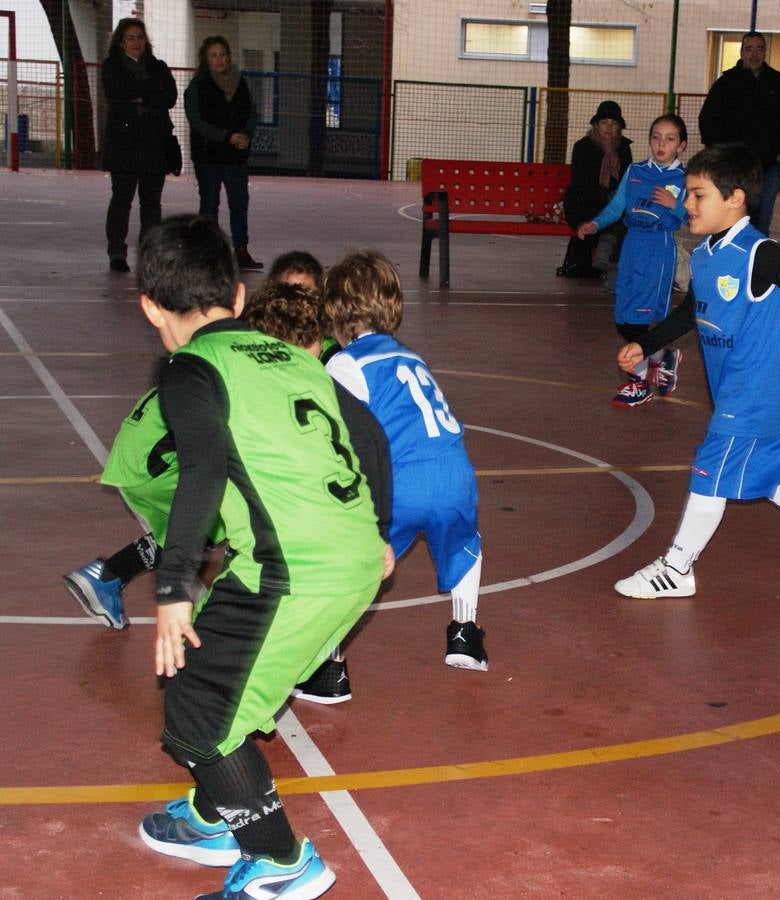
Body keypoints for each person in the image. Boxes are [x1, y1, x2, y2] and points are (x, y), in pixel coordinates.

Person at [133, 216, 391, 899]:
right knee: (224, 683)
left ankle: (281, 861)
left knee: (195, 710)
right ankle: (219, 815)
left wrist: (171, 589)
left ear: (151, 306)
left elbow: (201, 473)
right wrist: (380, 533)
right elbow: (368, 434)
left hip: (292, 568)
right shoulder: (294, 355)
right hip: (346, 556)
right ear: (241, 298)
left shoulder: (189, 369)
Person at [63, 252, 380, 706]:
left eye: (310, 294)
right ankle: (229, 649)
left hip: (141, 454)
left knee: (218, 522)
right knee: (239, 517)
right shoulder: (276, 351)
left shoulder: (238, 345)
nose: (303, 304)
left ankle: (109, 576)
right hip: (155, 462)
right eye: (297, 293)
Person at [612, 143, 780, 599]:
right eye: (687, 195)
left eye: (697, 195)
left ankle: (677, 568)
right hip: (734, 388)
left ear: (734, 199)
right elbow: (692, 310)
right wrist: (645, 344)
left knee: (710, 471)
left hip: (757, 389)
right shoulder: (708, 254)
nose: (686, 205)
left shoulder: (759, 253)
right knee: (773, 474)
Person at [323, 250, 489, 671]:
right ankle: (465, 635)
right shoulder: (412, 357)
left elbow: (341, 439)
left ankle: (328, 666)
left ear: (337, 313)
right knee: (464, 544)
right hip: (455, 472)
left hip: (399, 482)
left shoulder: (345, 363)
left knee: (355, 564)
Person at [576, 114, 689, 408]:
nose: (661, 144)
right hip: (632, 245)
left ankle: (639, 383)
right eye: (656, 137)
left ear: (682, 145)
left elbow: (695, 217)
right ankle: (661, 357)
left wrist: (675, 205)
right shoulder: (636, 171)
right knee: (623, 317)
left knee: (639, 318)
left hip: (658, 248)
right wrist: (596, 224)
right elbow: (617, 207)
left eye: (670, 138)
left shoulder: (685, 179)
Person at [698, 31, 780, 236]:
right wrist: (718, 153)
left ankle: (756, 263)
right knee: (732, 219)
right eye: (749, 49)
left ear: (765, 52)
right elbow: (708, 119)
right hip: (734, 166)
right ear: (741, 52)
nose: (754, 54)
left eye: (759, 49)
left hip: (768, 166)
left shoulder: (777, 83)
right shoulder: (726, 83)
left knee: (762, 222)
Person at [101, 18, 177, 273]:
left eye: (140, 37)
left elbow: (170, 97)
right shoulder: (111, 66)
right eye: (131, 37)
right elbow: (118, 93)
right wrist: (149, 94)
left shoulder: (159, 67)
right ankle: (116, 252)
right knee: (122, 199)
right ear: (121, 41)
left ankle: (149, 254)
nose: (137, 42)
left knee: (152, 202)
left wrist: (141, 96)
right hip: (123, 145)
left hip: (154, 143)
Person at [185, 36, 262, 271]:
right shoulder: (197, 86)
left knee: (239, 202)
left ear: (229, 57)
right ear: (205, 60)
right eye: (213, 55)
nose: (219, 59)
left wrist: (246, 134)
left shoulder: (241, 83)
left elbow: (251, 111)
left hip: (236, 155)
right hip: (208, 155)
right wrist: (226, 136)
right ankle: (210, 255)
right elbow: (197, 121)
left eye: (223, 54)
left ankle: (241, 250)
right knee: (210, 204)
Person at [560, 100, 633, 279]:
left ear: (619, 128)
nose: (609, 127)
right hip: (582, 201)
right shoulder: (582, 147)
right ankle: (592, 260)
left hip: (612, 203)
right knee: (607, 213)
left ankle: (609, 260)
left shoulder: (624, 148)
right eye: (604, 122)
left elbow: (627, 181)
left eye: (614, 123)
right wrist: (609, 196)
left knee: (622, 213)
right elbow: (580, 184)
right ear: (596, 124)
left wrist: (615, 199)